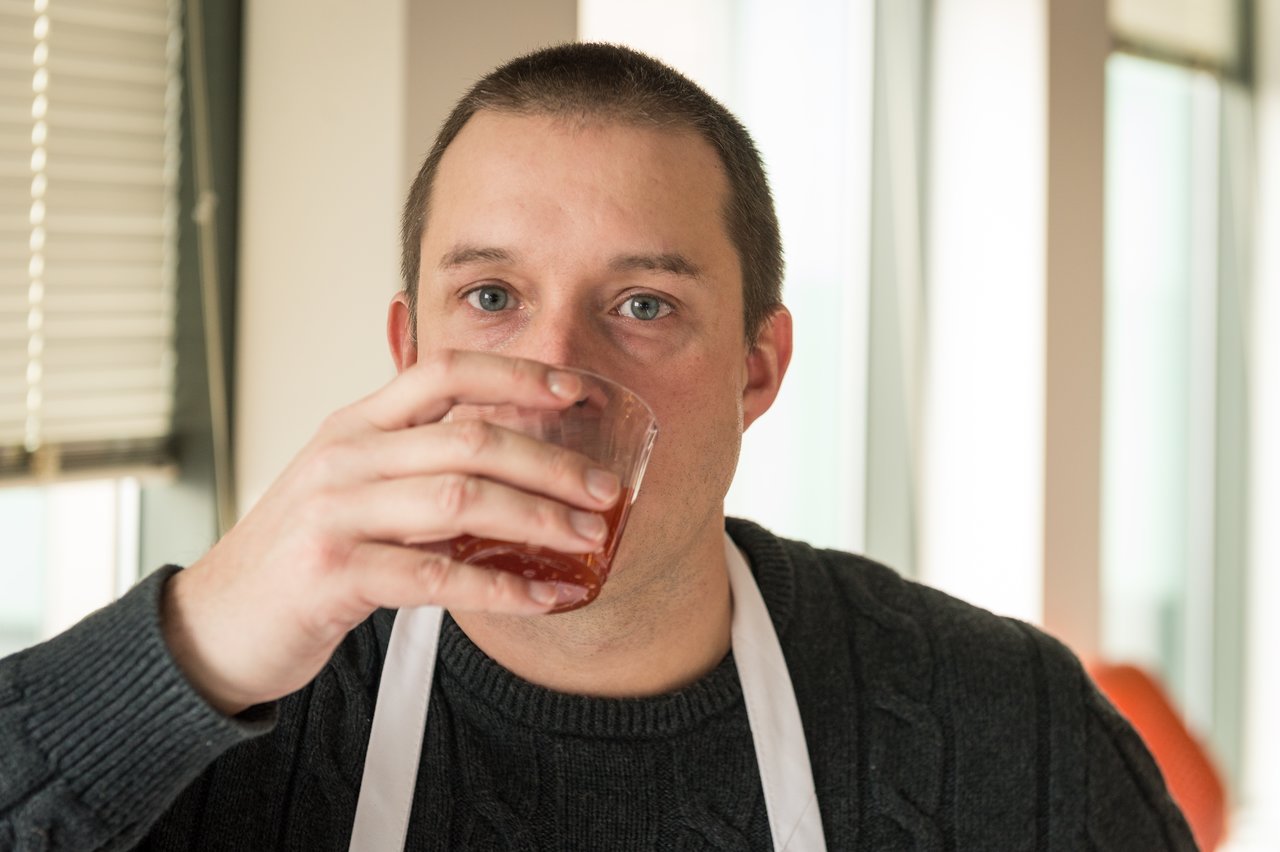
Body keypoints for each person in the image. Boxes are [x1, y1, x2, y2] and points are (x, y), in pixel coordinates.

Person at [0, 43, 1194, 851]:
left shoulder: (1005, 726)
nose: (555, 382)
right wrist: (190, 644)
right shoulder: (229, 718)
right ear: (409, 352)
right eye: (490, 298)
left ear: (756, 369)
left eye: (642, 306)